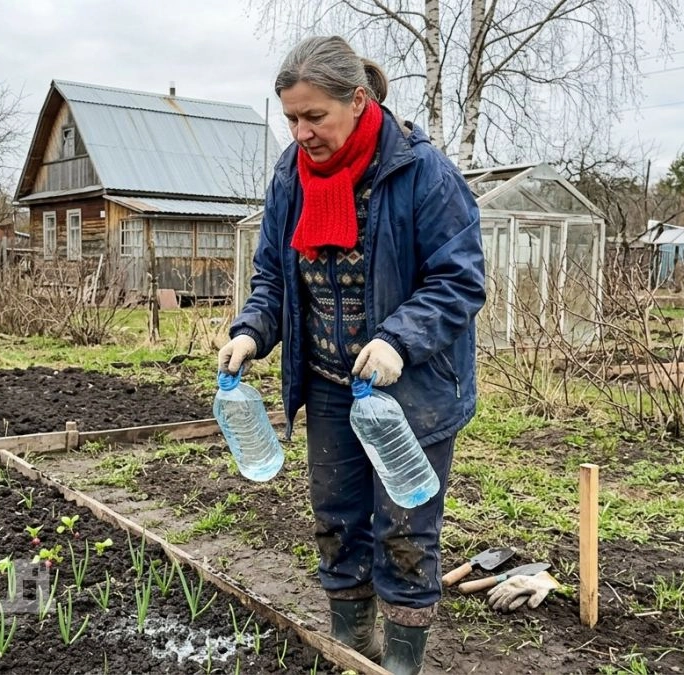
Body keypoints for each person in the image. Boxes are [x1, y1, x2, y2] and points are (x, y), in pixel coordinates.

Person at [218, 36, 485, 675]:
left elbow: (460, 279)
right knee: (336, 520)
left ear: (359, 101)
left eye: (315, 117)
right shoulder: (292, 173)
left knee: (404, 532)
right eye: (291, 117)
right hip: (331, 383)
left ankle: (401, 663)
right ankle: (352, 649)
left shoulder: (423, 172)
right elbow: (274, 276)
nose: (302, 131)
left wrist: (399, 339)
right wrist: (252, 329)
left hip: (410, 389)